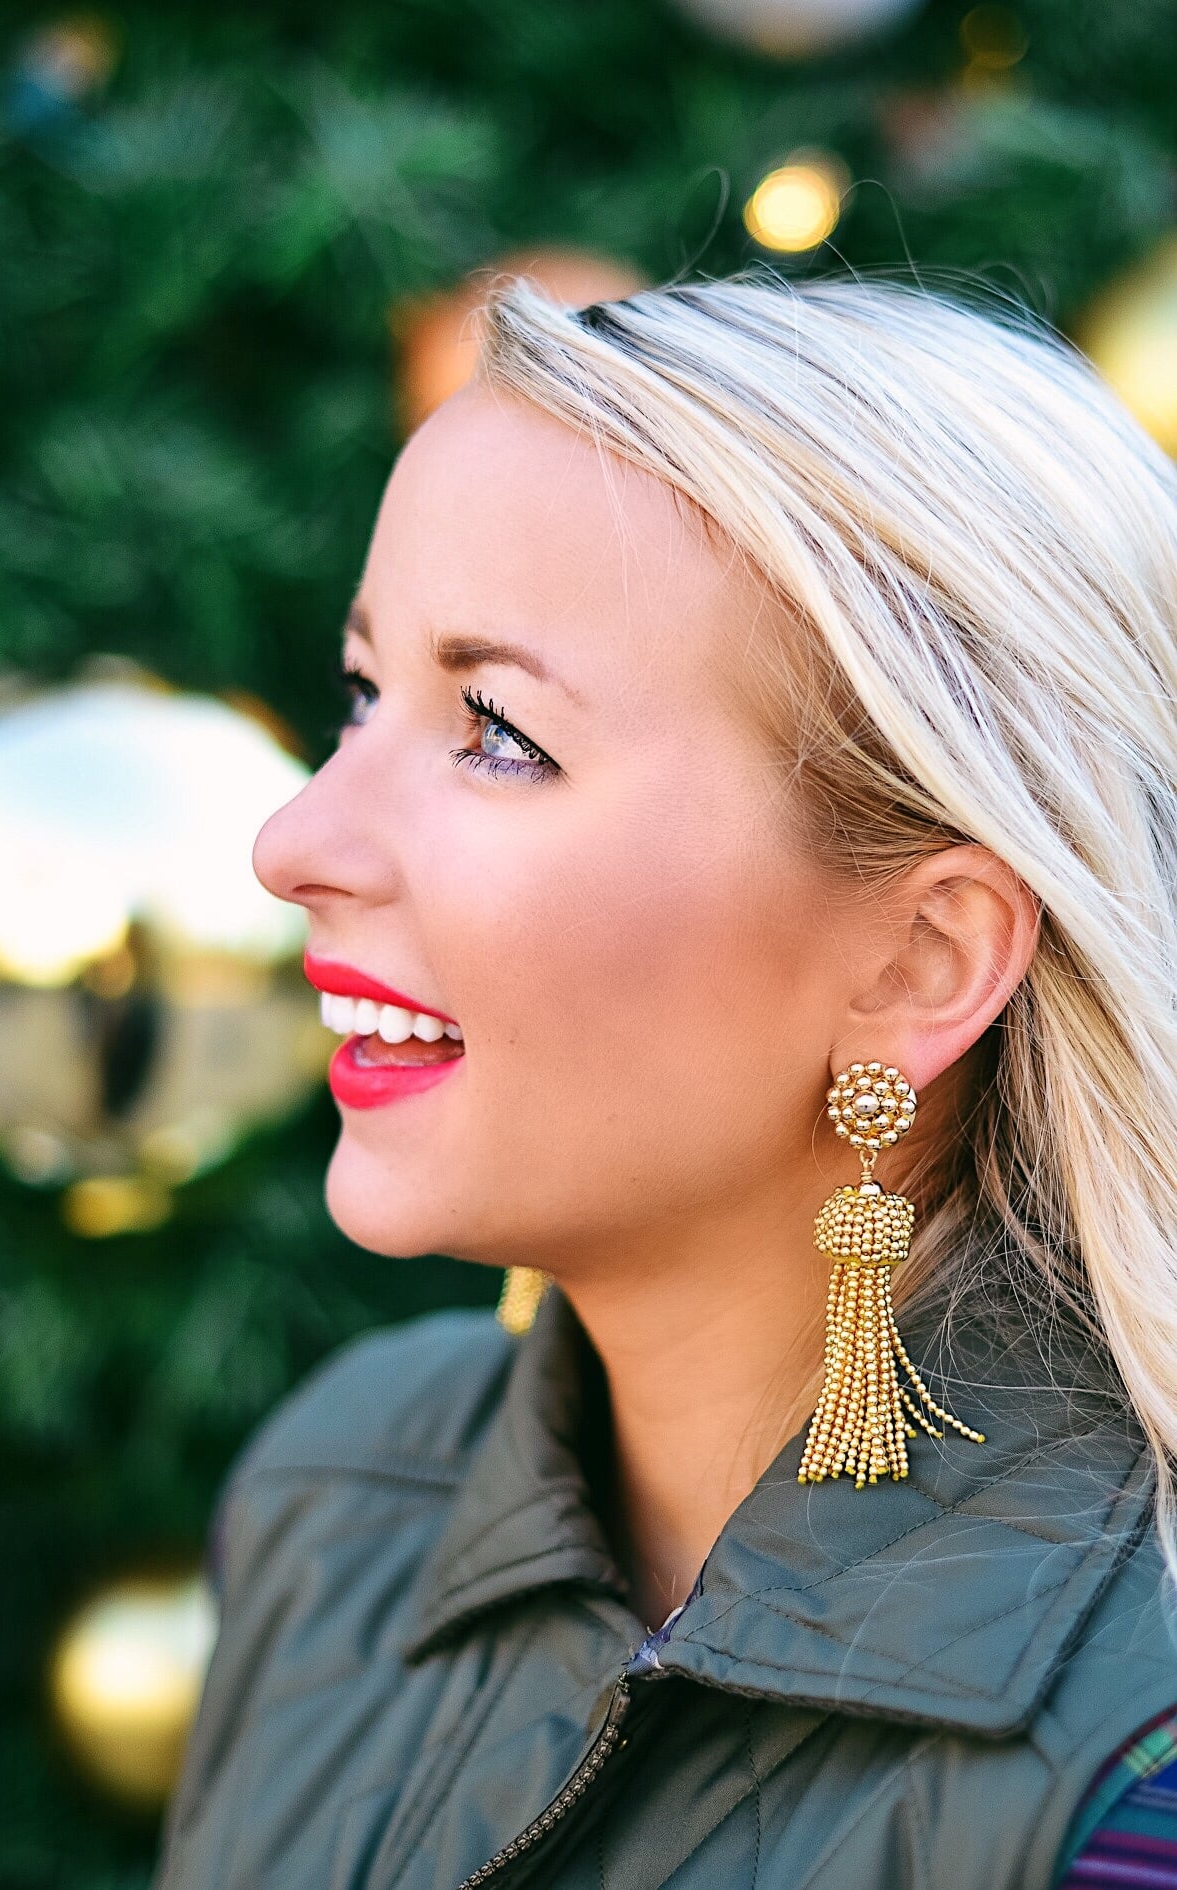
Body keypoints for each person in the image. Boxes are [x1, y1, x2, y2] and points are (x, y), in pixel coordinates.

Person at [152, 270, 1177, 1890]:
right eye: (362, 694)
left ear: (922, 960)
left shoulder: (1138, 1782)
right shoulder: (341, 1493)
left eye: (497, 732)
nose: (295, 839)